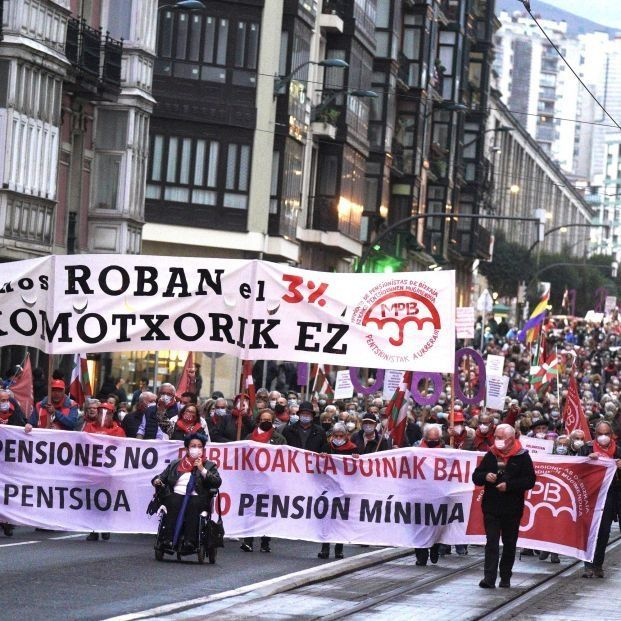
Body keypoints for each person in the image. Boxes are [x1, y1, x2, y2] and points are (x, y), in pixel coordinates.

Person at [473, 423, 536, 588]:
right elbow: (476, 476)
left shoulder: (522, 456)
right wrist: (486, 476)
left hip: (512, 508)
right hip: (491, 507)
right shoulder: (491, 455)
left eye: (501, 438)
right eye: (496, 437)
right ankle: (489, 578)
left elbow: (530, 480)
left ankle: (506, 576)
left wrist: (509, 486)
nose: (497, 441)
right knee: (491, 543)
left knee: (509, 543)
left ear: (510, 439)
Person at [153, 433, 221, 554]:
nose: (196, 448)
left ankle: (190, 541)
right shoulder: (176, 464)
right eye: (193, 446)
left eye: (199, 446)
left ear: (203, 449)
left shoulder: (209, 465)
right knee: (173, 502)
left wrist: (202, 469)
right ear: (187, 448)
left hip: (197, 495)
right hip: (177, 493)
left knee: (193, 505)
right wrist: (157, 480)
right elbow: (161, 477)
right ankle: (167, 540)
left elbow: (217, 482)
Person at [241, 409, 286, 553]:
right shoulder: (249, 437)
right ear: (258, 420)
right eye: (263, 419)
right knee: (250, 509)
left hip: (270, 480)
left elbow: (285, 457)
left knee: (267, 510)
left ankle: (265, 542)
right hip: (252, 478)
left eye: (269, 420)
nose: (266, 422)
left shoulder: (279, 438)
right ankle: (248, 540)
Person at [581, 421, 621, 578]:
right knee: (589, 530)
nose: (603, 437)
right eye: (600, 434)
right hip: (590, 496)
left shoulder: (617, 451)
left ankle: (598, 564)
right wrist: (587, 460)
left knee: (604, 531)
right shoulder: (587, 449)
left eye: (606, 434)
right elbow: (575, 470)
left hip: (609, 497)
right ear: (595, 435)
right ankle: (588, 565)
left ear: (612, 435)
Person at [318, 422, 358, 560]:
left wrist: (357, 460)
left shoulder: (353, 449)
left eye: (341, 435)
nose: (339, 438)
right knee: (326, 518)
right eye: (336, 435)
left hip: (344, 489)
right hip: (328, 488)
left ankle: (339, 548)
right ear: (332, 435)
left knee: (341, 519)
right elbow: (317, 466)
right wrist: (321, 457)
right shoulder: (326, 447)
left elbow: (361, 469)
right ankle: (325, 547)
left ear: (346, 436)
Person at [415, 424, 444, 566]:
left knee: (436, 524)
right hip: (420, 494)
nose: (433, 442)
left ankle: (434, 547)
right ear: (425, 438)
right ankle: (421, 555)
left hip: (438, 494)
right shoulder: (416, 450)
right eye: (430, 439)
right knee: (419, 525)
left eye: (436, 439)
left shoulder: (446, 451)